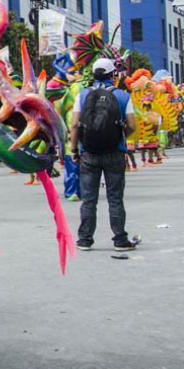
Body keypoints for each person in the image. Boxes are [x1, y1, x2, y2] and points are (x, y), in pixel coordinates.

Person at [70, 58, 138, 252]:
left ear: (93, 74)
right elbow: (132, 125)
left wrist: (74, 149)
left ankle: (85, 239)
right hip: (115, 153)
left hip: (89, 153)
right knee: (115, 198)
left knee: (89, 199)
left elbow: (75, 125)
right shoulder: (123, 96)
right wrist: (120, 136)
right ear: (112, 75)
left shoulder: (82, 95)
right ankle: (119, 240)